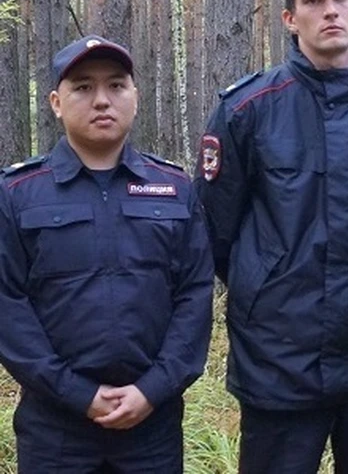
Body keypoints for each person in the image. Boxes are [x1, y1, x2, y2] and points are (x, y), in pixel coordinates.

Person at [196, 0, 348, 474]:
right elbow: (216, 235)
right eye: (313, 0)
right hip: (278, 360)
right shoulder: (246, 109)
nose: (330, 11)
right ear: (290, 18)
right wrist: (265, 287)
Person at [0, 35, 214, 473]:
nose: (102, 100)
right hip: (55, 429)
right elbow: (7, 304)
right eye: (83, 87)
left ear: (135, 97)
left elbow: (194, 295)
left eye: (116, 85)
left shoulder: (173, 189)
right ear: (57, 102)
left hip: (151, 427)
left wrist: (153, 388)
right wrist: (77, 394)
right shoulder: (18, 194)